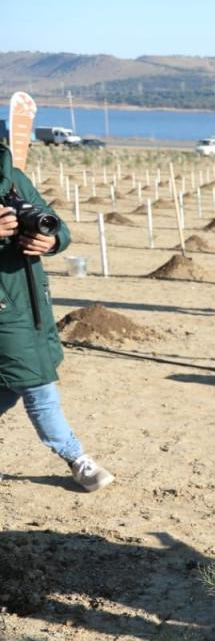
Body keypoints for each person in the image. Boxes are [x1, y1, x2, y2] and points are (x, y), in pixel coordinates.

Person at [0, 140, 113, 491]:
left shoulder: (14, 179)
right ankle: (78, 460)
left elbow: (55, 223)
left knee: (13, 386)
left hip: (34, 305)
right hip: (6, 310)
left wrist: (51, 241)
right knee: (38, 387)